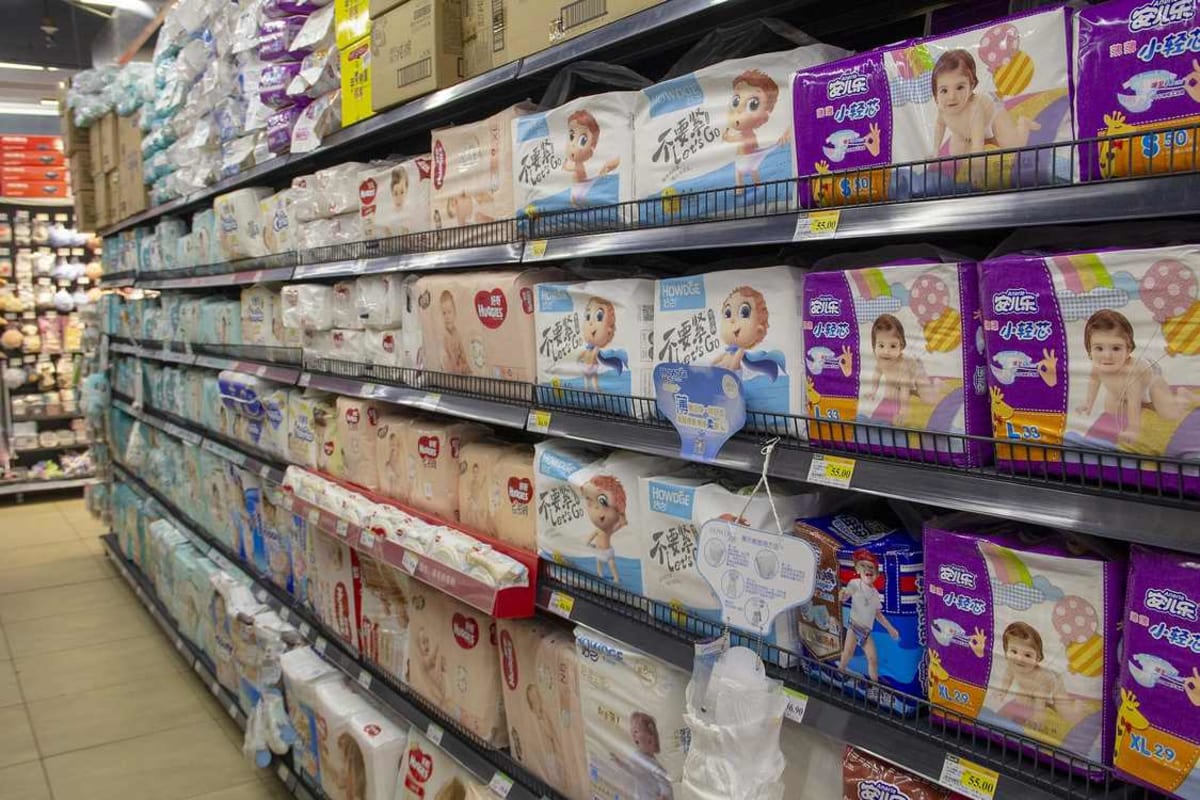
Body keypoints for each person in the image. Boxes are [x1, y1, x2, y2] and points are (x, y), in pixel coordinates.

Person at [1077, 309, 1193, 446]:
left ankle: (1181, 399)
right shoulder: (1099, 366)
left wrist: (1133, 430)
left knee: (1168, 414)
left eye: (1116, 348)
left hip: (1150, 381)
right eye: (1099, 348)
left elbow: (1133, 401)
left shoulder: (1130, 372)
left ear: (1128, 349)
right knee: (1110, 408)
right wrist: (1088, 404)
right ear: (1089, 350)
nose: (1107, 356)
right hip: (1123, 390)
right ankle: (1148, 406)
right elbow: (1094, 380)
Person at [931, 48, 1040, 158]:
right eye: (944, 90)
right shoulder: (943, 110)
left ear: (971, 86)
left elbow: (977, 145)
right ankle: (991, 140)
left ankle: (1023, 124)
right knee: (956, 152)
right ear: (936, 95)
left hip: (992, 115)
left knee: (1013, 146)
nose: (952, 97)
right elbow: (940, 126)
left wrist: (977, 160)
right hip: (965, 131)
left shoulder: (974, 108)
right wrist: (935, 152)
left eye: (960, 87)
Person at [724, 70, 790, 193]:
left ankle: (740, 188)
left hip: (743, 160)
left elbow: (733, 139)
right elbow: (755, 146)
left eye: (753, 104)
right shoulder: (751, 134)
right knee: (754, 172)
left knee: (738, 173)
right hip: (754, 159)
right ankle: (758, 184)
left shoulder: (744, 134)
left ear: (765, 116)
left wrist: (726, 137)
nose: (738, 110)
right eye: (736, 101)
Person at [839, 549, 900, 682]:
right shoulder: (855, 583)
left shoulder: (875, 594)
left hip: (866, 631)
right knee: (848, 652)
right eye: (864, 566)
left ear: (877, 574)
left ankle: (875, 685)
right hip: (854, 627)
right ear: (857, 569)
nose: (868, 570)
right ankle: (839, 672)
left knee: (873, 659)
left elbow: (878, 615)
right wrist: (843, 594)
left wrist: (891, 629)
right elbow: (847, 593)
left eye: (871, 567)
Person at [991, 621, 1063, 725]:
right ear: (1006, 651)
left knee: (1055, 707)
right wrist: (1003, 691)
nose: (1019, 659)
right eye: (1014, 651)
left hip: (1048, 688)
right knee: (1021, 702)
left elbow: (1040, 696)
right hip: (1027, 689)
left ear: (1038, 658)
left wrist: (1039, 713)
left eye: (1027, 655)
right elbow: (1008, 677)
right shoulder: (1012, 666)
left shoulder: (1039, 676)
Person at [867, 313, 932, 423]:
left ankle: (936, 384)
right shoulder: (881, 360)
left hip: (915, 372)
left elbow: (904, 389)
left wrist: (903, 410)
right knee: (890, 395)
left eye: (893, 346)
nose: (886, 351)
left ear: (901, 346)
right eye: (881, 345)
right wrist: (873, 391)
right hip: (896, 380)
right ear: (874, 345)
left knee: (926, 397)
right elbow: (876, 375)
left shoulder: (902, 365)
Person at [711, 286, 781, 381]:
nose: (732, 320)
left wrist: (729, 370)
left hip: (732, 377)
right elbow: (718, 359)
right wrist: (713, 365)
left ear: (758, 330)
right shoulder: (729, 351)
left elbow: (735, 364)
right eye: (727, 313)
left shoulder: (740, 350)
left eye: (744, 313)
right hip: (723, 375)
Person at [611, 711, 673, 800]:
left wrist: (664, 795)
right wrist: (621, 763)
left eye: (636, 731)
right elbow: (633, 770)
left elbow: (664, 780)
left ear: (650, 739)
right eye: (632, 731)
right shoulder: (637, 756)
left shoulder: (652, 763)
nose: (633, 734)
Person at [563, 110, 620, 208]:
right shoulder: (574, 166)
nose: (572, 144)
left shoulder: (580, 167)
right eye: (571, 136)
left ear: (593, 144)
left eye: (583, 140)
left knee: (605, 168)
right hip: (581, 189)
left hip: (584, 188)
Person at [582, 474, 628, 583]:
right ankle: (599, 573)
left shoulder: (608, 530)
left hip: (607, 550)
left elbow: (618, 526)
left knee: (611, 563)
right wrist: (587, 543)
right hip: (599, 549)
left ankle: (616, 577)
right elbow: (591, 537)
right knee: (599, 562)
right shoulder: (599, 530)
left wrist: (622, 521)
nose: (597, 510)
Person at [578, 297, 624, 391]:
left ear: (609, 330)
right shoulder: (589, 349)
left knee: (592, 378)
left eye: (599, 316)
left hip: (591, 366)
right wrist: (580, 360)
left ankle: (594, 388)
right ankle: (589, 388)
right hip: (589, 366)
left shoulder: (595, 350)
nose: (591, 323)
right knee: (589, 378)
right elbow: (583, 355)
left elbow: (593, 355)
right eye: (588, 316)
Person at [438, 290, 469, 374]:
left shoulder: (457, 333)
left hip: (458, 367)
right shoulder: (444, 336)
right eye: (444, 313)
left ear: (455, 313)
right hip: (449, 370)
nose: (447, 316)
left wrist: (465, 364)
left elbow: (462, 352)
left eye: (449, 312)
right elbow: (448, 360)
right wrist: (458, 368)